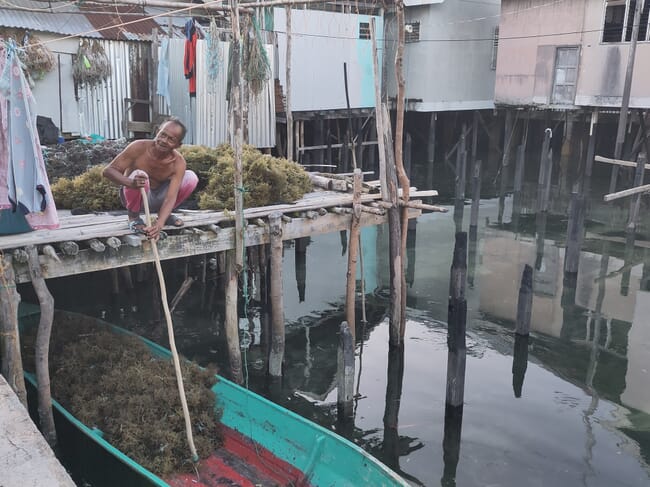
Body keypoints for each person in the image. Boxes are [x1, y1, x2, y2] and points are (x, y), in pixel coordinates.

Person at [103, 117, 198, 240]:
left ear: (178, 145)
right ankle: (134, 218)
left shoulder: (178, 162)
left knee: (191, 178)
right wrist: (130, 183)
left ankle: (164, 216)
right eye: (163, 134)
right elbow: (108, 171)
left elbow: (170, 197)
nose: (164, 141)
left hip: (158, 200)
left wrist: (159, 225)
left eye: (171, 139)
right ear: (157, 131)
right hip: (134, 197)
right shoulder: (138, 147)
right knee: (140, 174)